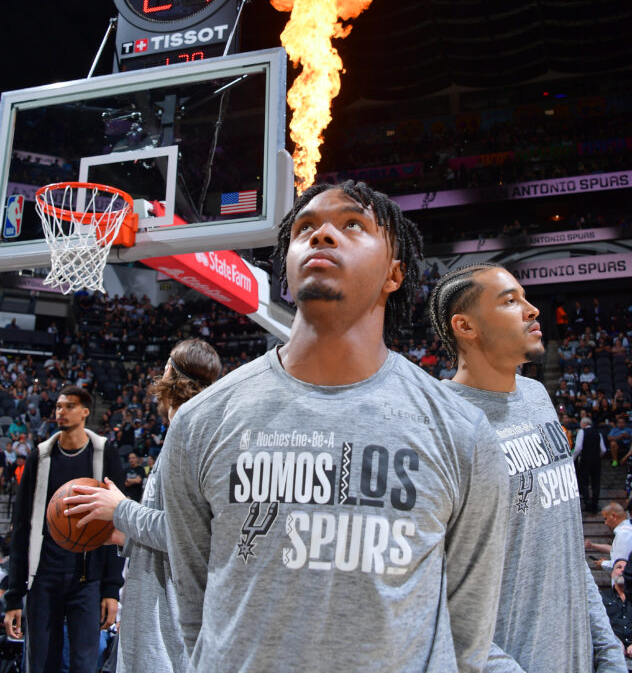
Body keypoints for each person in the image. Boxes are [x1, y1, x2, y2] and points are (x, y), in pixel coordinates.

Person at [158, 181, 509, 672]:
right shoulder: (200, 422)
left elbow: (468, 637)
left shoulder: (462, 433)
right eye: (305, 228)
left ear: (394, 273)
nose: (322, 235)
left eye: (352, 224)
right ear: (285, 267)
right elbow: (195, 607)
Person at [429, 262, 625, 673]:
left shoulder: (537, 396)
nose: (532, 309)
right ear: (466, 326)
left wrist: (606, 650)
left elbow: (567, 546)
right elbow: (436, 598)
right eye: (510, 301)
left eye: (525, 297)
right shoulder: (441, 424)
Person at [64, 339, 222, 673]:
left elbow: (187, 534)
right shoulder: (187, 434)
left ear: (169, 372)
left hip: (166, 632)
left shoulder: (190, 436)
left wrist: (121, 508)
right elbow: (175, 534)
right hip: (151, 620)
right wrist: (126, 537)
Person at [3, 384, 125, 673]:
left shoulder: (104, 452)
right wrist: (13, 595)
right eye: (58, 406)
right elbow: (21, 527)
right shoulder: (40, 456)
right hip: (43, 576)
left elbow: (118, 524)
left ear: (85, 412)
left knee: (84, 664)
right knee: (41, 664)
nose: (61, 412)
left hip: (87, 578)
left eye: (69, 406)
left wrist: (111, 589)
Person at [586, 504, 632, 574]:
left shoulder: (624, 534)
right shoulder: (626, 531)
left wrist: (603, 563)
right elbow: (615, 550)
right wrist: (593, 545)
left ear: (613, 516)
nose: (605, 523)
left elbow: (622, 564)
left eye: (606, 519)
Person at [574, 417, 606, 513]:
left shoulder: (582, 432)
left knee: (584, 482)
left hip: (585, 459)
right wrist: (597, 455)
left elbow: (578, 447)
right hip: (596, 460)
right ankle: (595, 504)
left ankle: (587, 503)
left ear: (584, 424)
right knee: (596, 483)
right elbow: (603, 449)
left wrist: (573, 458)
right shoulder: (598, 433)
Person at [601, 560, 632, 661]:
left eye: (625, 568)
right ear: (612, 574)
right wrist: (614, 641)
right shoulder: (602, 597)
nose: (622, 570)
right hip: (612, 653)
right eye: (619, 567)